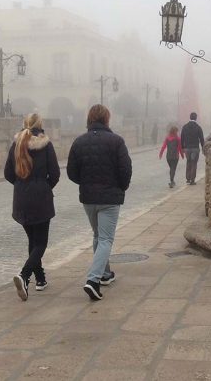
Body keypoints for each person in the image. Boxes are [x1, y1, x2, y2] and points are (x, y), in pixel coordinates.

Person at [67, 104, 132, 301]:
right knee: (105, 239)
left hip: (88, 198)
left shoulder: (79, 142)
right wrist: (120, 187)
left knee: (98, 236)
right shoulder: (116, 141)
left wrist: (86, 183)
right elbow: (125, 170)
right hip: (109, 199)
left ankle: (105, 274)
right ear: (106, 119)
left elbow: (71, 172)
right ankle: (93, 280)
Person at [4, 113, 60, 301]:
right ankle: (25, 275)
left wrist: (22, 186)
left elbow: (7, 173)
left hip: (21, 198)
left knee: (33, 241)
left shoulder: (17, 144)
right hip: (41, 198)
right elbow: (55, 174)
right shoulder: (46, 145)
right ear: (40, 125)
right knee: (40, 243)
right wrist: (43, 187)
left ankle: (41, 280)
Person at [180, 112, 204, 185]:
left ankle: (188, 179)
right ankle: (192, 180)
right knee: (194, 163)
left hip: (187, 148)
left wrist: (182, 147)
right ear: (196, 118)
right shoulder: (198, 127)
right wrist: (203, 147)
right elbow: (201, 139)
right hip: (195, 148)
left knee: (188, 162)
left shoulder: (185, 127)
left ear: (190, 117)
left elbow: (182, 138)